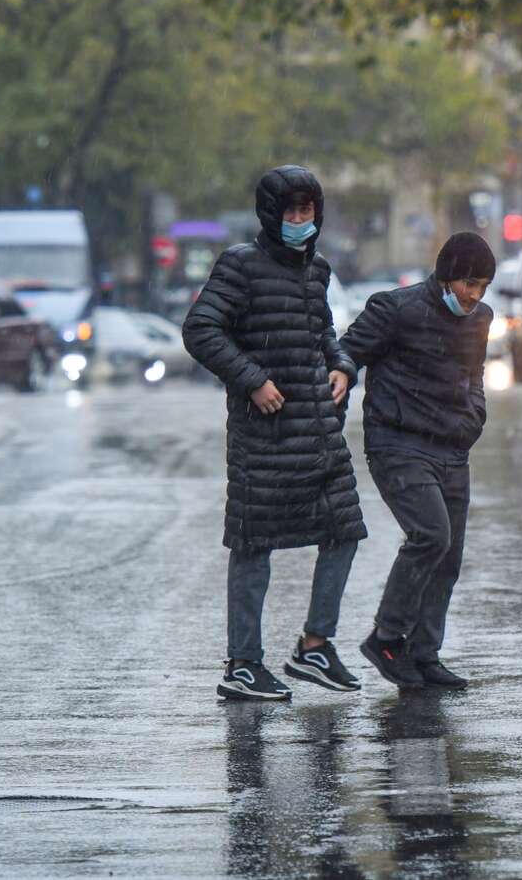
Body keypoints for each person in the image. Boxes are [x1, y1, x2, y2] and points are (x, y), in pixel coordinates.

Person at [183, 166, 365, 702]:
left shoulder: (318, 269)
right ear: (270, 213)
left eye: (307, 210)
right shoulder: (240, 265)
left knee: (345, 531)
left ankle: (314, 646)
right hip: (263, 437)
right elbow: (200, 330)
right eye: (289, 211)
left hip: (319, 432)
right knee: (253, 545)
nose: (298, 220)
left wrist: (343, 367)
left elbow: (323, 335)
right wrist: (254, 380)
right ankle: (243, 664)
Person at [342, 232, 497, 690]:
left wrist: (474, 417)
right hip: (398, 445)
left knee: (448, 556)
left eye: (483, 285)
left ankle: (425, 653)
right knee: (431, 534)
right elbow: (347, 352)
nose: (474, 295)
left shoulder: (481, 318)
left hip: (452, 448)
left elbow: (475, 377)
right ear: (447, 275)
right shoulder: (396, 309)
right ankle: (386, 638)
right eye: (468, 282)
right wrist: (336, 376)